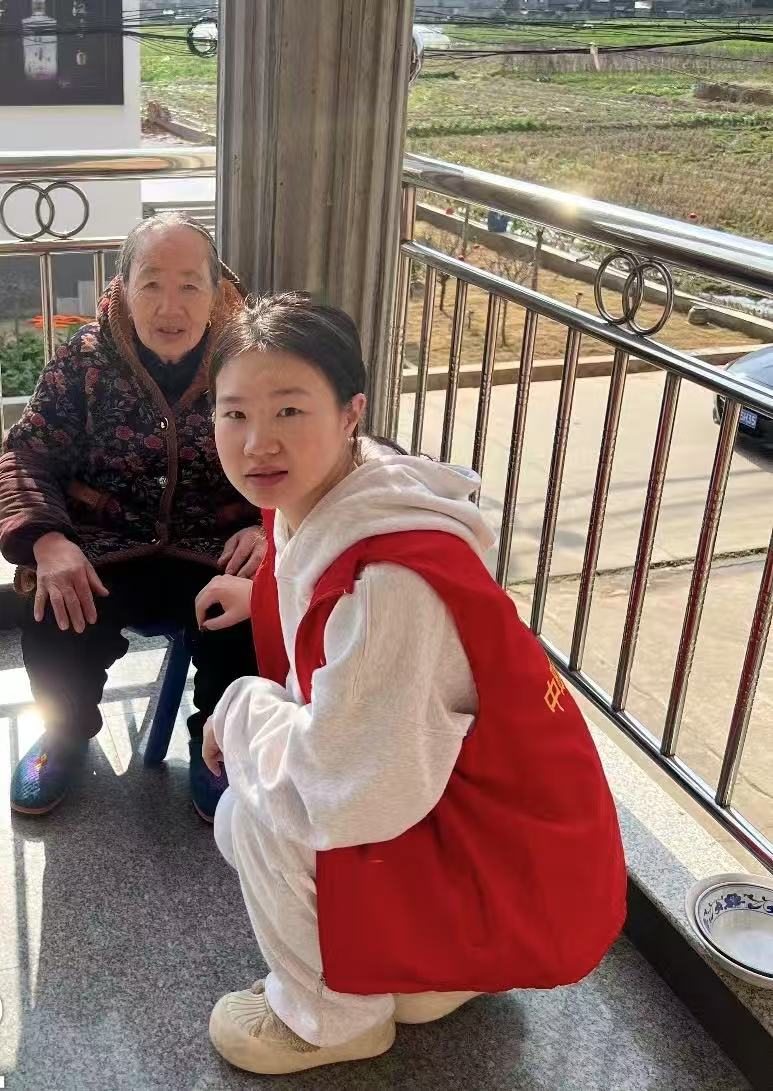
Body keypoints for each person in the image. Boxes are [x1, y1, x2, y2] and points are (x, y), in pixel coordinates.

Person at [195, 292, 627, 1076]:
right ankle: (420, 976)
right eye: (234, 414)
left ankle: (335, 1020)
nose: (257, 442)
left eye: (289, 409)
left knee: (256, 811)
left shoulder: (387, 583)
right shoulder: (340, 493)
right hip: (487, 839)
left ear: (350, 411)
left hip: (491, 873)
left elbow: (340, 794)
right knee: (249, 802)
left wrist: (236, 707)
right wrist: (260, 608)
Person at [0, 213, 263, 821]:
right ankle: (64, 733)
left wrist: (269, 528)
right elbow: (26, 453)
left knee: (250, 617)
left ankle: (218, 744)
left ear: (217, 291)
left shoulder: (252, 360)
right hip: (104, 544)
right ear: (123, 287)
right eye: (152, 284)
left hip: (215, 546)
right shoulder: (84, 361)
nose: (171, 307)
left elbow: (302, 456)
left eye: (190, 285)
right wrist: (47, 539)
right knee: (54, 611)